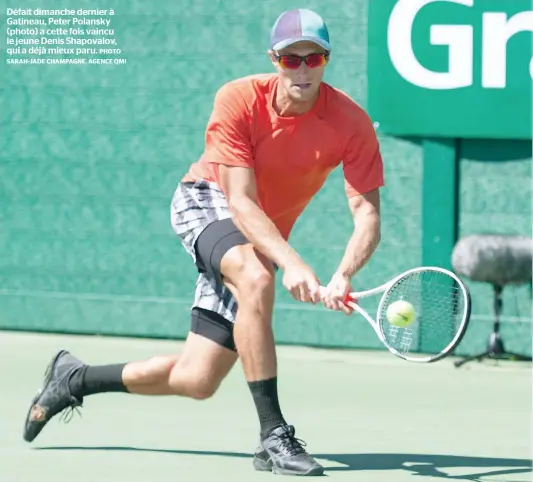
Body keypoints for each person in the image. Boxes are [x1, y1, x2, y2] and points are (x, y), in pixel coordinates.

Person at [22, 8, 383, 477]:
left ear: (326, 60)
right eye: (291, 59)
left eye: (313, 58)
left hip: (260, 234)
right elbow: (241, 201)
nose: (302, 69)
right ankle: (273, 436)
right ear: (275, 59)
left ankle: (75, 379)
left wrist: (344, 274)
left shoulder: (350, 123)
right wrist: (292, 264)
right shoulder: (238, 99)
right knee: (256, 278)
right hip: (206, 199)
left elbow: (368, 215)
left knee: (197, 379)